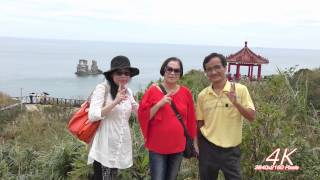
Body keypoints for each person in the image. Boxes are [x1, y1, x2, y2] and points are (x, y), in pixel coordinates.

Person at [195, 53, 255, 180]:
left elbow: (251, 116)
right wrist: (197, 146)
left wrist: (236, 102)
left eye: (217, 67)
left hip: (231, 150)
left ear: (225, 67)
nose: (213, 72)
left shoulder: (240, 89)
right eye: (209, 69)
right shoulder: (202, 95)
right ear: (206, 72)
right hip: (208, 147)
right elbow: (200, 123)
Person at [138, 57, 197, 180]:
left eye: (176, 70)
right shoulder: (152, 91)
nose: (172, 73)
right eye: (169, 69)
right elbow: (143, 117)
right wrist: (159, 104)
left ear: (180, 74)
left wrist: (194, 143)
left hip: (178, 147)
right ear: (163, 70)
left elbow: (191, 120)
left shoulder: (186, 93)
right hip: (157, 147)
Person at [88, 56, 139, 180]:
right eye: (119, 73)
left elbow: (138, 111)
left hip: (119, 145)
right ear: (112, 74)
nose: (123, 76)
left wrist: (156, 101)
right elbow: (93, 115)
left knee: (112, 177)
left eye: (127, 73)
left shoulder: (128, 91)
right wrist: (115, 102)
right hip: (104, 145)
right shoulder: (102, 88)